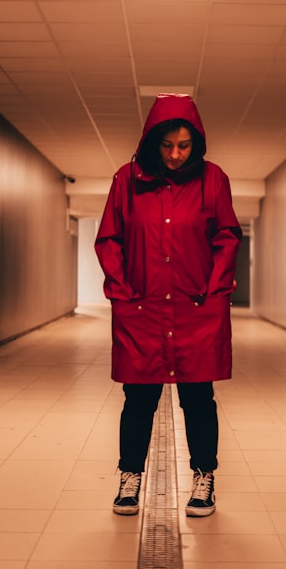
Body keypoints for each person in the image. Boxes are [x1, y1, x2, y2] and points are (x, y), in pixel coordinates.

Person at [95, 93, 242, 517]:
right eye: (167, 145)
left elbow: (227, 237)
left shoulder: (213, 180)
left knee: (199, 398)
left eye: (184, 146)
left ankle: (204, 476)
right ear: (151, 141)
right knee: (138, 397)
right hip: (142, 309)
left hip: (196, 307)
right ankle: (130, 476)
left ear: (196, 143)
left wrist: (215, 292)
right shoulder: (126, 180)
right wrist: (121, 292)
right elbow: (110, 238)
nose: (176, 155)